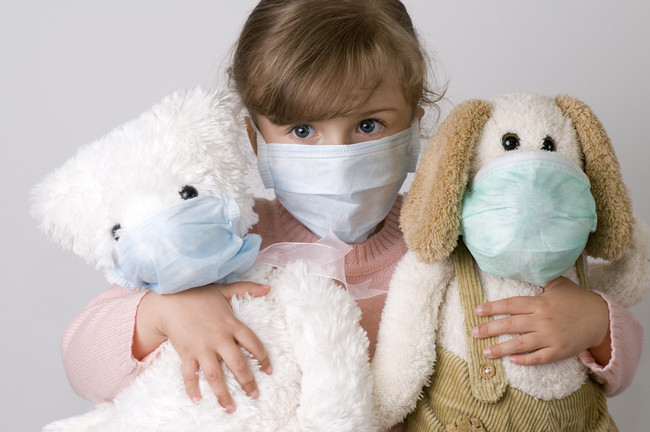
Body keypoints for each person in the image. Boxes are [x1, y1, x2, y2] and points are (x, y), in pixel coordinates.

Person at [61, 1, 643, 431]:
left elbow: (601, 373)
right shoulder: (222, 242)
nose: (337, 155)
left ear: (414, 128)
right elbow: (85, 366)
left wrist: (596, 324)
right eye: (302, 130)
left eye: (368, 125)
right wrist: (166, 312)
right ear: (256, 140)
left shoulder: (455, 241)